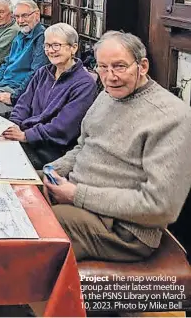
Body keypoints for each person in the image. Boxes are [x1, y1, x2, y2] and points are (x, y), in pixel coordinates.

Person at [43, 31, 191, 262]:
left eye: (120, 66)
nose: (110, 76)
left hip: (123, 231)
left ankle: (21, 294)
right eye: (103, 67)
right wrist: (53, 169)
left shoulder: (172, 116)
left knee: (33, 225)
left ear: (142, 66)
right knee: (18, 192)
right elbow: (83, 146)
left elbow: (161, 207)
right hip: (80, 198)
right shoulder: (108, 95)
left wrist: (76, 195)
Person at [4, 23, 96, 170]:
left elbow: (64, 127)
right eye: (47, 46)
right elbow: (23, 103)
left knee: (3, 163)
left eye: (56, 45)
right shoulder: (42, 72)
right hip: (27, 135)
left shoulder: (84, 84)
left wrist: (26, 136)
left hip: (51, 149)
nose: (50, 51)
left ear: (74, 48)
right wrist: (14, 123)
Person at [0, 0, 49, 117]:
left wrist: (14, 97)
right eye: (17, 17)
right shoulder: (20, 35)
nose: (20, 21)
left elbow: (35, 74)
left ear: (37, 14)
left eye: (24, 16)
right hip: (2, 88)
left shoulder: (42, 38)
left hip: (17, 94)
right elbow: (5, 65)